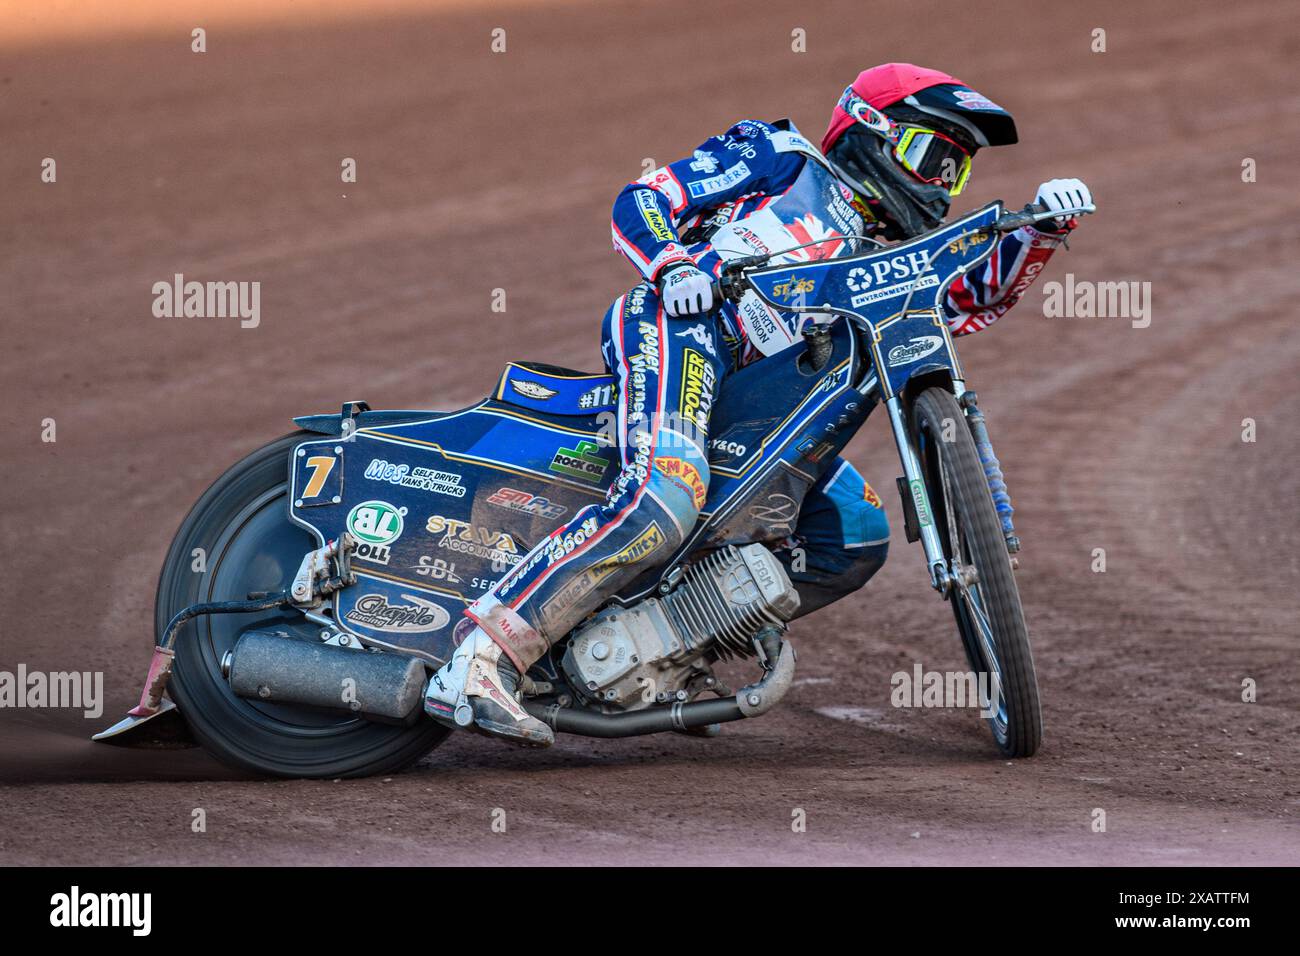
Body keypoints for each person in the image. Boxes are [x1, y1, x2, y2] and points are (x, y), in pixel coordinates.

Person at [424, 63, 1092, 746]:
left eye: (959, 173)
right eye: (932, 158)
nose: (943, 187)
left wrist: (1038, 234)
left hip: (765, 408)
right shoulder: (780, 157)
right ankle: (479, 658)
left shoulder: (886, 254)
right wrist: (675, 266)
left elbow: (960, 303)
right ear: (870, 133)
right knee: (664, 497)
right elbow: (645, 198)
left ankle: (663, 650)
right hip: (683, 328)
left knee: (853, 534)